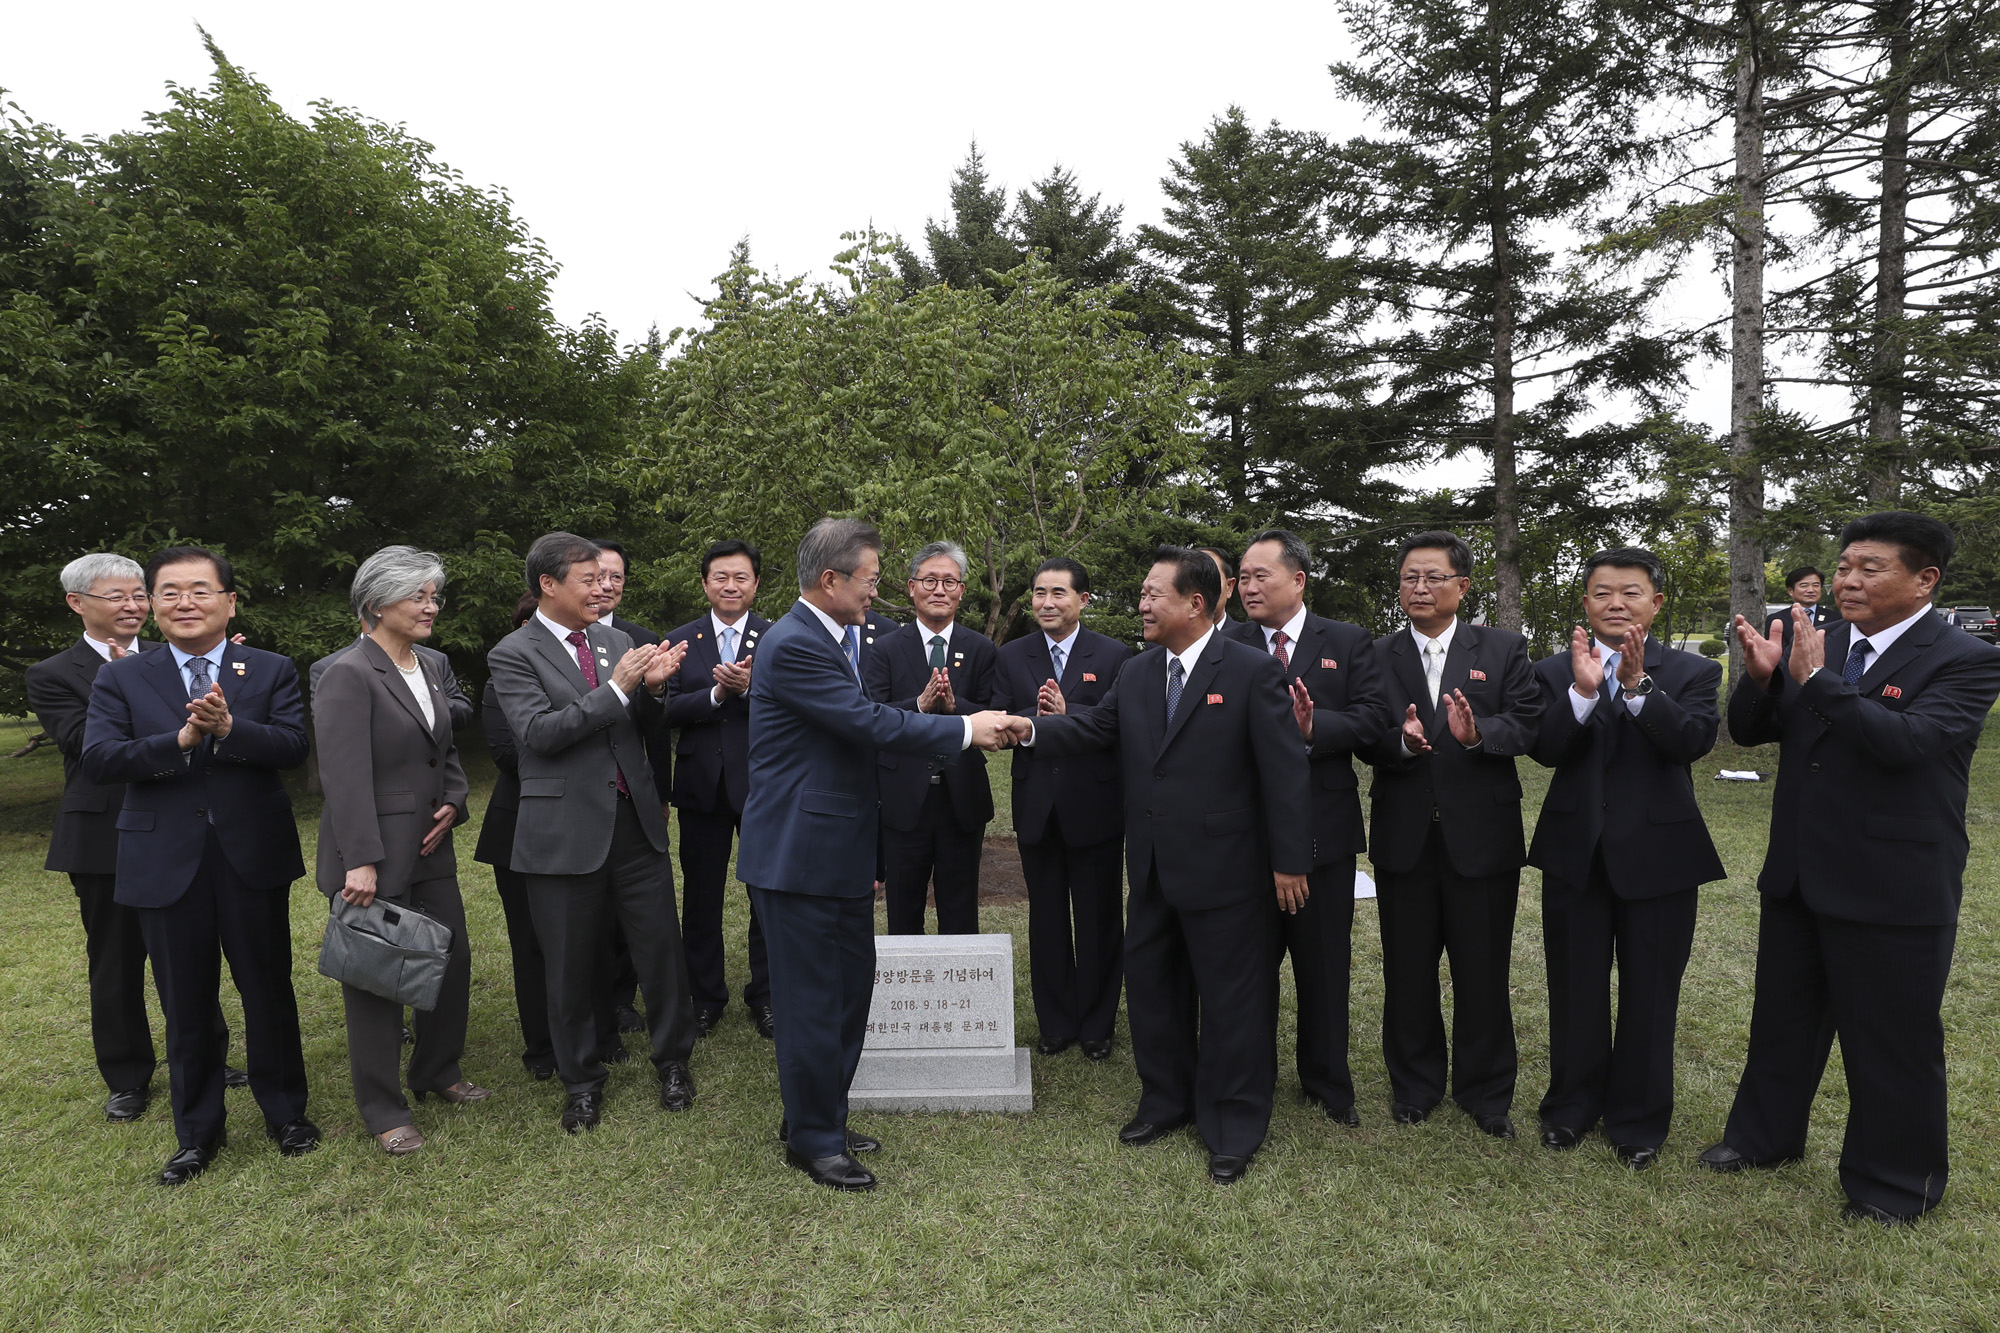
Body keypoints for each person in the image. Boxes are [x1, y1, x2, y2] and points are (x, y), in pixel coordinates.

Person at [1703, 512, 2000, 1225]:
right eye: (1843, 567)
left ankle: (1894, 1181)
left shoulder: (1963, 656)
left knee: (1892, 1037)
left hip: (1894, 879)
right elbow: (1749, 729)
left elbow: (1909, 742)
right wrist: (1768, 679)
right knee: (1783, 1018)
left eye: (1871, 567)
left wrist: (1815, 680)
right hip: (1802, 869)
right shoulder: (1819, 641)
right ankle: (1763, 1138)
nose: (1848, 579)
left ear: (1925, 577)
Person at [1011, 547, 1312, 1186]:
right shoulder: (1140, 673)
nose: (1142, 606)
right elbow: (1095, 730)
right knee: (1152, 991)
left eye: (1153, 595)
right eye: (1142, 594)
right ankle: (1165, 1100)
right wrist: (1027, 730)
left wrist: (1289, 862)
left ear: (1195, 603)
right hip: (1150, 869)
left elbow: (1286, 775)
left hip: (1227, 872)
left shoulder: (1253, 671)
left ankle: (1232, 1122)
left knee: (1232, 1002)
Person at [738, 518, 1019, 1191]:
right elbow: (866, 723)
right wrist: (962, 728)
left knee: (847, 991)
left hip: (833, 848)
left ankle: (818, 1114)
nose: (877, 593)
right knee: (813, 1001)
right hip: (799, 856)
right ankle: (813, 1140)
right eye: (869, 580)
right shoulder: (797, 642)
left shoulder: (836, 636)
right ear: (830, 579)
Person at [82, 546, 318, 1185]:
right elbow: (100, 759)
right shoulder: (123, 677)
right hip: (164, 857)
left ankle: (286, 1114)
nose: (185, 603)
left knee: (267, 989)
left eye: (199, 590)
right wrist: (180, 741)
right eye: (169, 593)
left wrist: (230, 728)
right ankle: (197, 1133)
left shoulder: (266, 669)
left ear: (229, 601)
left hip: (250, 854)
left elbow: (294, 747)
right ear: (153, 605)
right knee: (184, 1002)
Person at [486, 532, 697, 1133]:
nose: (602, 589)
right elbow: (541, 734)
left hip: (633, 822)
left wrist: (653, 688)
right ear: (548, 585)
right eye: (588, 579)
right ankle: (580, 1080)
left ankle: (674, 1060)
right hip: (562, 829)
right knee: (569, 962)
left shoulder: (615, 639)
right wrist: (621, 687)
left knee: (659, 949)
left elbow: (642, 724)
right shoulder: (513, 653)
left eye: (607, 578)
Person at [1525, 547, 1725, 1169]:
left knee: (1650, 991)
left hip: (1661, 854)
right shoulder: (1552, 668)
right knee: (1575, 985)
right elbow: (1546, 748)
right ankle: (1571, 1106)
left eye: (1631, 592)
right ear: (1585, 602)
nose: (1616, 603)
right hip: (1574, 852)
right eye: (1603, 592)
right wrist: (1583, 695)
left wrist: (1637, 687)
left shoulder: (1692, 670)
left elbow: (1690, 742)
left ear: (1656, 602)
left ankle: (1638, 1118)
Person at [26, 554, 238, 1122]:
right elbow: (82, 744)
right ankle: (127, 1076)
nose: (133, 606)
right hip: (103, 836)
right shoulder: (53, 673)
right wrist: (120, 680)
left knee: (188, 950)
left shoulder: (183, 657)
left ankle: (206, 1056)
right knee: (116, 959)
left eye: (139, 595)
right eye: (116, 597)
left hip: (178, 825)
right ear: (78, 604)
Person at [1363, 531, 1542, 1139]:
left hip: (1481, 836)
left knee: (1482, 968)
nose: (1419, 588)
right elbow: (1366, 731)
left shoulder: (1502, 648)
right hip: (1403, 835)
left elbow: (1527, 726)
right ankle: (1415, 1086)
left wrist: (1474, 735)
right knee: (1408, 968)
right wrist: (1400, 742)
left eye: (1433, 577)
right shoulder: (1377, 653)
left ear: (1463, 586)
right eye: (1410, 577)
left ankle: (1486, 1091)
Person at [314, 547, 488, 1156]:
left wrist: (454, 802)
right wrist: (359, 858)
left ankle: (437, 1069)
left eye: (433, 595)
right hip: (375, 853)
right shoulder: (348, 672)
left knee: (449, 957)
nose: (431, 606)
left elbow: (445, 749)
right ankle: (384, 1106)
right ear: (375, 604)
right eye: (418, 596)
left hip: (430, 842)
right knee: (378, 980)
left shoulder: (432, 664)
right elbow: (341, 774)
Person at [1228, 529, 1393, 1127]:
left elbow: (1374, 718)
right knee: (1251, 965)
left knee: (1323, 962)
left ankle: (1327, 1081)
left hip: (1324, 828)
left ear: (1297, 580)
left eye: (1259, 576)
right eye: (1242, 577)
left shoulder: (1346, 642)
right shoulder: (1227, 642)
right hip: (1247, 830)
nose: (1248, 587)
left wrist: (1310, 727)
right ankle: (1253, 1078)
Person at [991, 557, 1133, 1059]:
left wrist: (1071, 717)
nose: (1046, 603)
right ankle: (1055, 1024)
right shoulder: (1011, 655)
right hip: (1037, 806)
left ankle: (1097, 1026)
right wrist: (1037, 719)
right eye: (1038, 593)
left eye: (1058, 594)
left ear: (1083, 600)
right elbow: (1001, 718)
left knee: (1098, 919)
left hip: (1094, 803)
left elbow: (1121, 724)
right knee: (1047, 918)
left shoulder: (1115, 655)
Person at [664, 539, 775, 1038]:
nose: (731, 586)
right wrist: (715, 693)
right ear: (705, 583)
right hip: (701, 785)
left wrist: (749, 689)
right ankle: (704, 997)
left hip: (764, 784)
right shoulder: (680, 640)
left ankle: (768, 996)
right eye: (720, 577)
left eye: (741, 577)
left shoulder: (778, 638)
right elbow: (663, 709)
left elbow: (795, 707)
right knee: (701, 897)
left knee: (767, 896)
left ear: (756, 583)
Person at [866, 541, 999, 935]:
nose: (939, 590)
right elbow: (873, 715)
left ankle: (961, 993)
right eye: (929, 581)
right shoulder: (885, 649)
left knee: (960, 908)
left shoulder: (981, 648)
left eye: (949, 582)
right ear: (911, 587)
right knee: (903, 908)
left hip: (961, 796)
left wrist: (957, 707)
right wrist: (919, 704)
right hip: (903, 795)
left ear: (961, 590)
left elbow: (995, 711)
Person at [592, 538, 667, 1035]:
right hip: (578, 798)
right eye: (598, 575)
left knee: (635, 912)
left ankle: (624, 997)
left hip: (632, 794)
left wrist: (659, 794)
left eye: (616, 576)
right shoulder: (547, 643)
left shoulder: (640, 641)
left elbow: (653, 729)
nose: (606, 585)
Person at [308, 637, 473, 730]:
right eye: (416, 599)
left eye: (432, 599)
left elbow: (463, 712)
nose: (430, 608)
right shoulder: (330, 668)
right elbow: (332, 733)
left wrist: (426, 701)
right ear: (375, 606)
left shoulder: (435, 659)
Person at [1763, 566, 1841, 658]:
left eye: (1816, 585)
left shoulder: (1836, 618)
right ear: (1790, 590)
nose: (1811, 590)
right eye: (1804, 585)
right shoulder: (1777, 620)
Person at [1197, 545, 1240, 628]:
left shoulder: (1247, 640)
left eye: (1209, 578)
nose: (1200, 586)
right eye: (1193, 578)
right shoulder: (1169, 638)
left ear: (1229, 586)